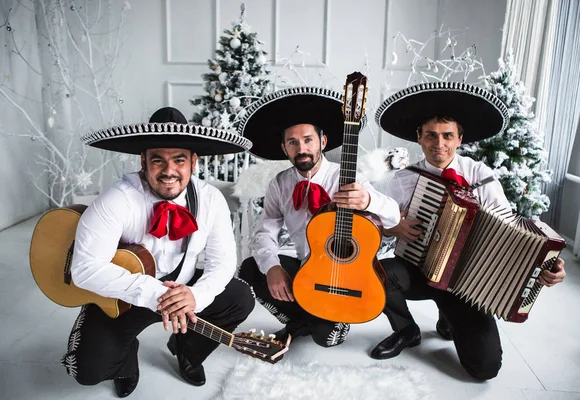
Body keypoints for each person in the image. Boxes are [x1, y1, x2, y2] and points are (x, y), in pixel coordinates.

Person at [369, 82, 566, 380]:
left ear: (459, 139)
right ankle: (407, 330)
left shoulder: (481, 177)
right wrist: (394, 225)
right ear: (419, 138)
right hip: (418, 270)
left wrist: (544, 267)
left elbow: (511, 231)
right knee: (375, 273)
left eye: (448, 135)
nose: (439, 144)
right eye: (431, 136)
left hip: (465, 284)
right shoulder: (402, 180)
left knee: (484, 369)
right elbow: (372, 224)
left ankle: (448, 318)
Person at [60, 107, 255, 397]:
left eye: (179, 160)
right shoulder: (116, 200)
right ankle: (125, 361)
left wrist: (195, 296)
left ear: (193, 162)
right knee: (87, 371)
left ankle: (186, 349)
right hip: (123, 296)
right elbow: (85, 267)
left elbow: (223, 261)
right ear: (143, 161)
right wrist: (156, 295)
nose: (169, 171)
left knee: (239, 298)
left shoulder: (210, 199)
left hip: (183, 288)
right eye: (157, 160)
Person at [236, 87, 401, 347]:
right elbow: (264, 232)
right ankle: (300, 319)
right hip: (308, 268)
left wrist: (369, 200)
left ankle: (318, 320)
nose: (301, 148)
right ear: (284, 148)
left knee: (326, 339)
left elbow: (393, 217)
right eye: (293, 142)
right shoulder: (280, 184)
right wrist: (273, 267)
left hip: (347, 275)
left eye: (308, 139)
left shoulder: (347, 176)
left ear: (322, 142)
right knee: (249, 268)